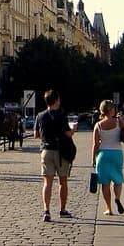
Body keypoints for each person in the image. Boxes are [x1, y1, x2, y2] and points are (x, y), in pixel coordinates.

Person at [34, 90, 73, 221]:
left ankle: (46, 210)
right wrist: (73, 130)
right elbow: (67, 133)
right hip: (60, 151)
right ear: (56, 100)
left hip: (46, 150)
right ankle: (62, 209)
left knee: (47, 182)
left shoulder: (40, 115)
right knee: (63, 181)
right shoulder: (62, 114)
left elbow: (36, 135)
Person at [92, 99, 124, 216]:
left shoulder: (98, 125)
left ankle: (109, 208)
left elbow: (95, 144)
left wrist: (93, 158)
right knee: (118, 179)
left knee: (105, 183)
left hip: (103, 154)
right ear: (110, 110)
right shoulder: (118, 122)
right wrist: (122, 122)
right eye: (113, 108)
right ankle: (117, 198)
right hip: (116, 153)